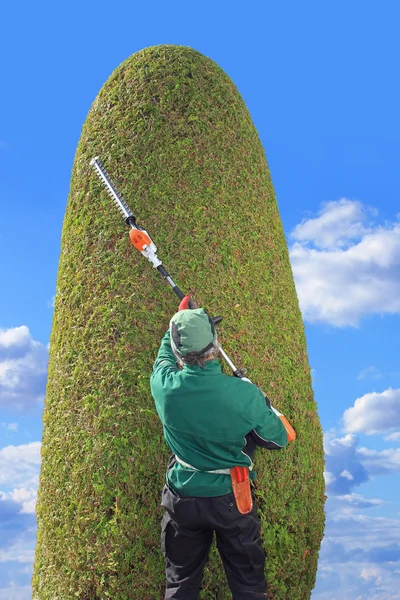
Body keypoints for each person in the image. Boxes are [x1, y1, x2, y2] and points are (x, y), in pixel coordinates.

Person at [150, 297, 289, 600]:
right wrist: (261, 402)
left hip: (181, 498)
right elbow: (278, 438)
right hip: (231, 499)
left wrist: (177, 323)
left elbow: (163, 355)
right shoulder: (244, 394)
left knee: (180, 584)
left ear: (178, 352)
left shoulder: (164, 386)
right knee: (248, 586)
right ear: (215, 344)